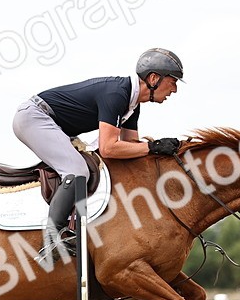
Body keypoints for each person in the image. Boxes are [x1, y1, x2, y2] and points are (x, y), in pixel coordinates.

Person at [13, 48, 185, 255]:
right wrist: (153, 146)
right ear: (154, 78)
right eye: (173, 81)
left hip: (52, 123)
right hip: (34, 116)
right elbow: (109, 147)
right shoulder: (117, 94)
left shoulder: (132, 105)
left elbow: (131, 148)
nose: (174, 90)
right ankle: (51, 239)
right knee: (77, 171)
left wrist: (158, 150)